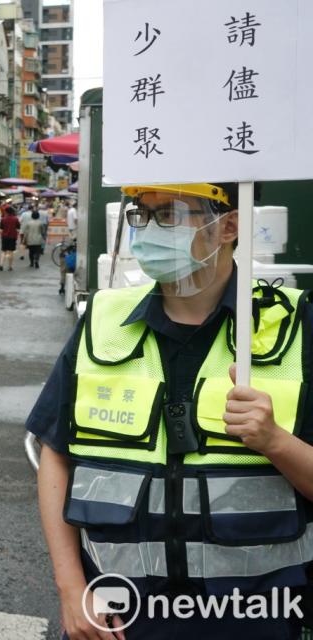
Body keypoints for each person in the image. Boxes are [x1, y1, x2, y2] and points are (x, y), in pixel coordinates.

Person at [27, 182, 313, 640]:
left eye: (171, 214)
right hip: (116, 618)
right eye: (142, 213)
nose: (150, 230)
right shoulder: (103, 321)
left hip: (254, 618)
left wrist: (276, 442)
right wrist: (70, 588)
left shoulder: (295, 329)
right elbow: (55, 455)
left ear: (229, 226)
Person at [0, 206, 20, 271]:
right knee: (11, 252)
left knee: (3, 251)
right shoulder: (15, 219)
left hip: (4, 236)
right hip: (12, 236)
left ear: (6, 212)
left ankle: (1, 264)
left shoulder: (3, 219)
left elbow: (1, 228)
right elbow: (18, 227)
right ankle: (10, 266)